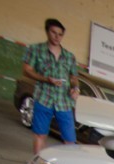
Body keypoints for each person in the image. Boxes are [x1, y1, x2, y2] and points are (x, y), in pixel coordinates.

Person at [22, 18, 79, 155]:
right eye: (54, 32)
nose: (57, 37)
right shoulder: (35, 50)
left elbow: (74, 77)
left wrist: (75, 88)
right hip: (43, 98)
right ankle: (38, 163)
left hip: (64, 102)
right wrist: (45, 79)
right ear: (47, 32)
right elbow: (27, 70)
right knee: (40, 135)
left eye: (60, 34)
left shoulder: (69, 56)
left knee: (70, 140)